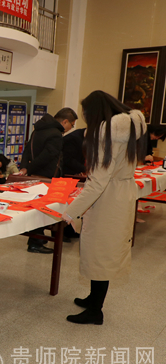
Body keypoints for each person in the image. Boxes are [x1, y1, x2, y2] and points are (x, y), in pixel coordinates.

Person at [62, 90, 146, 325]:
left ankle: (95, 311)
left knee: (100, 253)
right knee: (105, 250)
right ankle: (93, 299)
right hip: (121, 195)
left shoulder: (107, 135)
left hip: (108, 199)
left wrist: (71, 211)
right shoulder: (129, 129)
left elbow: (98, 181)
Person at [17, 107, 78, 253]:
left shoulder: (38, 129)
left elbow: (27, 150)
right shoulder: (56, 134)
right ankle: (35, 243)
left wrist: (25, 168)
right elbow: (47, 156)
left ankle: (38, 239)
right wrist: (29, 169)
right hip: (47, 178)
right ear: (65, 121)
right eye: (72, 124)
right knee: (43, 210)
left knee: (37, 208)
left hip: (35, 176)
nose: (71, 128)